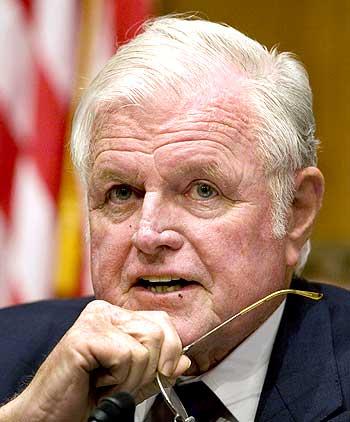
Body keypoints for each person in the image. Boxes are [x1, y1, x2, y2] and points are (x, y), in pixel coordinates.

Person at [0, 15, 349, 422]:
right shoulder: (8, 350)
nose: (149, 234)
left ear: (295, 210)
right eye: (122, 193)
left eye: (202, 190)